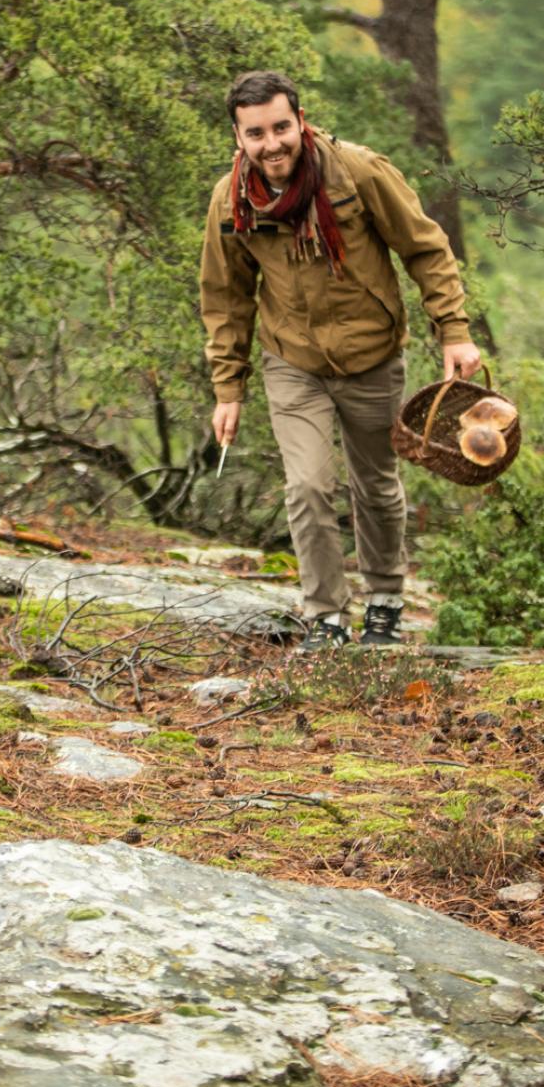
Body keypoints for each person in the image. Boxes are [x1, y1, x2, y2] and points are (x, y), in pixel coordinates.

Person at [199, 70, 483, 651]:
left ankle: (384, 599)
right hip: (292, 360)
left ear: (299, 122)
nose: (271, 143)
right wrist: (228, 390)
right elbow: (225, 297)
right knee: (307, 486)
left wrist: (453, 331)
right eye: (257, 133)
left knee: (375, 485)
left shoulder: (356, 172)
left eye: (281, 127)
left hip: (372, 355)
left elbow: (424, 248)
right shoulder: (230, 201)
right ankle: (326, 615)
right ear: (239, 137)